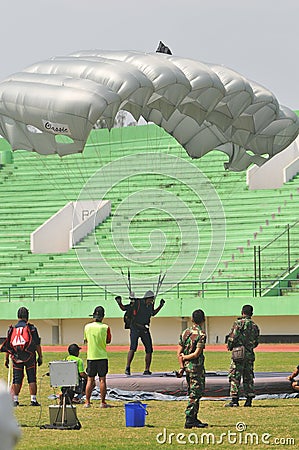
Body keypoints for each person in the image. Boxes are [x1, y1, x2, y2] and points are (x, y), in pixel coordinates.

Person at [115, 290, 165, 375]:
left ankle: (147, 369)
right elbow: (124, 308)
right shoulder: (137, 303)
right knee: (133, 347)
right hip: (135, 328)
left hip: (145, 329)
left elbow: (152, 313)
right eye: (150, 300)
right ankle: (127, 367)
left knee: (149, 349)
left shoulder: (150, 305)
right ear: (146, 298)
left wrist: (160, 306)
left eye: (152, 300)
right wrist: (119, 302)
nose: (151, 302)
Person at [1, 306, 43, 407]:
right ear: (27, 316)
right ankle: (33, 400)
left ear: (18, 316)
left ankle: (15, 400)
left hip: (16, 357)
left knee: (16, 378)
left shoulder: (12, 329)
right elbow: (37, 344)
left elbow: (9, 346)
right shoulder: (31, 328)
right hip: (30, 356)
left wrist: (6, 359)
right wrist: (40, 356)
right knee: (32, 378)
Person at [177, 309, 208, 429]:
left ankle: (194, 418)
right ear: (203, 320)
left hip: (187, 368)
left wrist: (181, 366)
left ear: (192, 319)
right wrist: (186, 357)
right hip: (196, 368)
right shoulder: (201, 335)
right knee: (195, 394)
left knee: (192, 392)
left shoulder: (185, 332)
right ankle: (189, 419)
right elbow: (196, 354)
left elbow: (178, 352)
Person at [226, 304, 260, 407]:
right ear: (252, 313)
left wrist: (230, 346)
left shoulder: (238, 323)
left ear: (242, 312)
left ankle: (235, 400)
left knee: (235, 376)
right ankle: (248, 400)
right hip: (249, 354)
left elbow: (232, 338)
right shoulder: (255, 326)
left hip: (238, 354)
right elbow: (256, 342)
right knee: (248, 377)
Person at [83, 306, 111, 408]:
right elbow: (108, 341)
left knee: (90, 380)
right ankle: (103, 402)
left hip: (91, 356)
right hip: (102, 356)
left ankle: (87, 402)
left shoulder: (87, 327)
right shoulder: (106, 327)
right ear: (103, 317)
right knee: (102, 380)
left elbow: (86, 339)